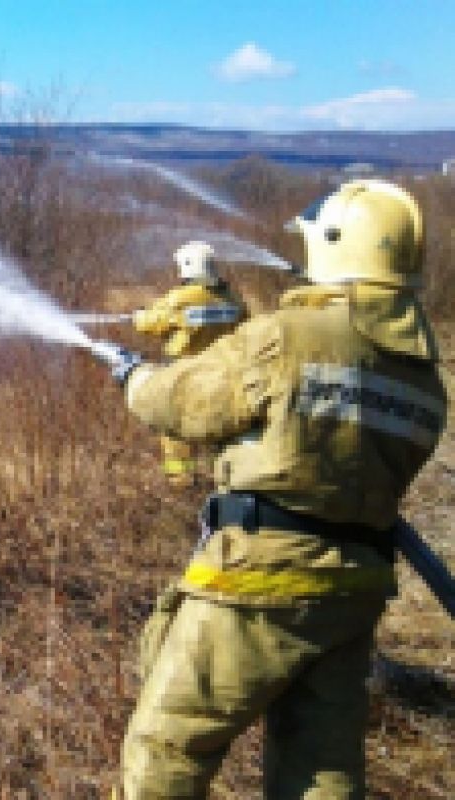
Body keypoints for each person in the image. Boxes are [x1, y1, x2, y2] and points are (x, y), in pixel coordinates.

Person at [100, 179, 448, 798]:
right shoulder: (423, 377)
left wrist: (135, 379)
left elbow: (184, 404)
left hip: (258, 582)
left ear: (339, 246)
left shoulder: (287, 337)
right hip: (353, 592)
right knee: (322, 768)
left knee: (170, 743)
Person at [132, 241, 247, 486]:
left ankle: (182, 482)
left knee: (173, 431)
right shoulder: (233, 299)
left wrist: (138, 316)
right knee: (223, 429)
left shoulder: (182, 299)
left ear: (187, 267)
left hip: (185, 375)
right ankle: (226, 480)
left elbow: (150, 323)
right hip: (224, 375)